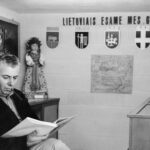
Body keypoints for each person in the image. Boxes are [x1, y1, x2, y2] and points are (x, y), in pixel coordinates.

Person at [0, 53, 70, 150]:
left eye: (15, 78)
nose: (11, 83)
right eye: (6, 77)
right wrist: (25, 141)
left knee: (57, 145)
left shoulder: (18, 95)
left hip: (29, 145)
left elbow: (34, 119)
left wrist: (42, 131)